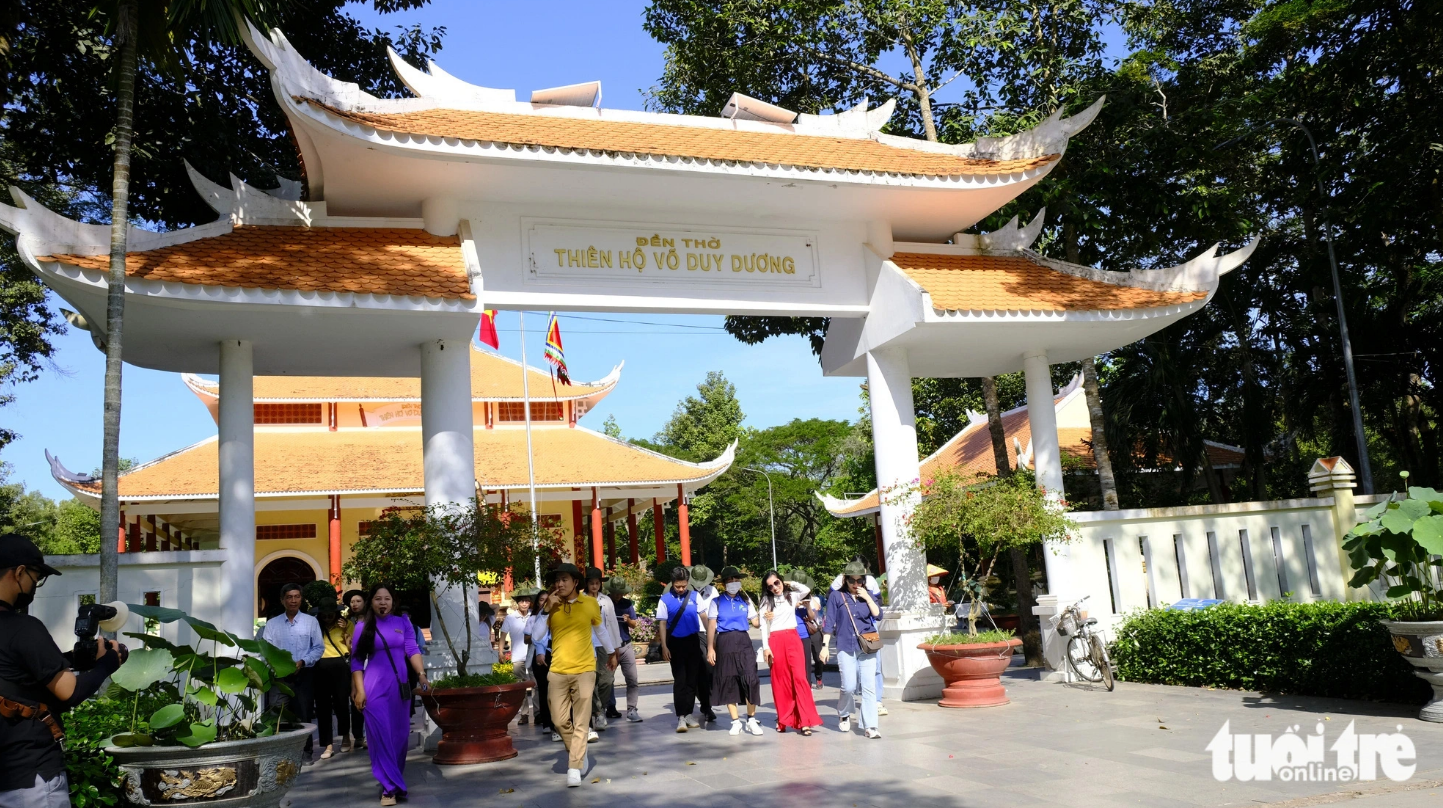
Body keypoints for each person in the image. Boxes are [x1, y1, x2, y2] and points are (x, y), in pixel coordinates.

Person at [0, 534, 122, 808]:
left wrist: (78, 660)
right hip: (30, 779)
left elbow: (17, 673)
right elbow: (71, 692)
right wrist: (109, 662)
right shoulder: (23, 628)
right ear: (19, 573)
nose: (36, 586)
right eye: (35, 577)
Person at [351, 584, 430, 806]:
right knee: (380, 735)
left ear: (393, 602)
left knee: (400, 736)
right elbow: (356, 662)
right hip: (374, 687)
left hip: (400, 686)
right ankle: (389, 788)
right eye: (378, 599)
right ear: (371, 602)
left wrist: (422, 675)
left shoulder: (402, 622)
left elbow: (412, 650)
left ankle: (394, 780)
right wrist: (360, 690)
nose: (383, 603)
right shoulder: (363, 626)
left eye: (387, 599)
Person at [538, 563, 616, 788]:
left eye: (564, 579)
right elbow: (536, 635)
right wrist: (546, 610)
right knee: (559, 720)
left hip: (584, 669)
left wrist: (612, 652)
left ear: (575, 582)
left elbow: (600, 630)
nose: (559, 584)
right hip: (558, 671)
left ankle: (574, 766)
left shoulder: (590, 604)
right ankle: (579, 752)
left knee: (581, 720)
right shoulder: (550, 606)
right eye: (557, 580)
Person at [262, 582, 323, 759]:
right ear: (282, 600)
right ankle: (279, 753)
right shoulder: (272, 624)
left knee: (303, 714)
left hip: (303, 674)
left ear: (301, 599)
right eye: (289, 597)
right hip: (279, 676)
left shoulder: (311, 622)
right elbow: (267, 650)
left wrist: (303, 662)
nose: (293, 600)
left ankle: (306, 751)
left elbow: (318, 647)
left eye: (296, 597)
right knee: (277, 713)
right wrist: (281, 666)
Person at [824, 561, 882, 739]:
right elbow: (829, 622)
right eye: (852, 581)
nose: (856, 585)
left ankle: (870, 725)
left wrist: (868, 597)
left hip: (867, 644)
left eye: (860, 580)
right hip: (845, 644)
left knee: (868, 686)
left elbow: (878, 615)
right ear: (845, 579)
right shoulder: (836, 597)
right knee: (848, 686)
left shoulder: (868, 594)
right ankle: (844, 712)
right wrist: (825, 646)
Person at [760, 570, 821, 735]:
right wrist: (766, 647)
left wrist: (789, 583)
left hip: (793, 638)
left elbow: (805, 590)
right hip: (776, 639)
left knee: (800, 679)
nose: (774, 587)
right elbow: (763, 625)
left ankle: (805, 721)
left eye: (777, 583)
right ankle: (783, 719)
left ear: (781, 581)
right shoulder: (766, 601)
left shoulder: (791, 596)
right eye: (770, 586)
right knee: (781, 681)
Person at [705, 566, 763, 736]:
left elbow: (756, 622)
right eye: (729, 580)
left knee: (750, 679)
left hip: (743, 641)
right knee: (729, 680)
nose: (733, 583)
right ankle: (735, 721)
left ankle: (751, 719)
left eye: (735, 580)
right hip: (725, 641)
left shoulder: (745, 600)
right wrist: (710, 648)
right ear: (723, 584)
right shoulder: (716, 602)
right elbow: (712, 625)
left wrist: (766, 615)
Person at [654, 565, 703, 732]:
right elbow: (662, 623)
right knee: (680, 680)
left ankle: (689, 713)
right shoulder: (665, 599)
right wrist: (664, 646)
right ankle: (681, 716)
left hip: (693, 641)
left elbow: (705, 616)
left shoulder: (695, 596)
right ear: (672, 583)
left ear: (688, 583)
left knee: (692, 679)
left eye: (684, 586)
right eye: (677, 586)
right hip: (675, 642)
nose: (681, 589)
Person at [313, 603, 353, 759]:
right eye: (324, 615)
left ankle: (345, 737)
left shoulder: (347, 624)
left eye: (331, 614)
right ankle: (328, 744)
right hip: (320, 665)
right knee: (322, 706)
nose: (328, 618)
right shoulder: (315, 626)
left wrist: (344, 630)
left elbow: (352, 646)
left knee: (341, 703)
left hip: (340, 665)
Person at [582, 567, 617, 733]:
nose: (594, 586)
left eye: (597, 583)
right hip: (586, 644)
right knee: (591, 681)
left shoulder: (606, 600)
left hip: (604, 644)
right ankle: (596, 712)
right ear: (586, 584)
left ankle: (601, 708)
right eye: (591, 583)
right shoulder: (580, 599)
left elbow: (613, 626)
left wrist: (615, 649)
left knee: (607, 679)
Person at [603, 577, 642, 722]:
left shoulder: (627, 603)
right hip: (610, 647)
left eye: (620, 593)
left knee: (632, 679)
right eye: (615, 593)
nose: (618, 595)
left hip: (625, 645)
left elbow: (635, 624)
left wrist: (628, 620)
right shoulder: (605, 602)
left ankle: (632, 709)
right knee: (608, 680)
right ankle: (610, 707)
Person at [499, 586, 538, 725]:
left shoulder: (534, 616)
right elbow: (503, 635)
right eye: (522, 601)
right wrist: (500, 651)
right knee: (520, 687)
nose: (524, 604)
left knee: (536, 685)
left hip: (533, 655)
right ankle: (524, 714)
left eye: (527, 601)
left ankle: (538, 713)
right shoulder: (510, 618)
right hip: (517, 657)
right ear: (517, 603)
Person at [785, 570, 826, 690]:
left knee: (817, 656)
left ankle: (819, 677)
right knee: (802, 659)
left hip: (812, 629)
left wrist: (808, 601)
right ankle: (804, 682)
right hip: (797, 631)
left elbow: (815, 610)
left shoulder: (812, 597)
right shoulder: (789, 597)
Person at [689, 564, 719, 723]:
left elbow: (715, 613)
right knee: (692, 673)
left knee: (709, 669)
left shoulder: (712, 591)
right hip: (688, 633)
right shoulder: (684, 590)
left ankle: (707, 703)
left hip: (706, 632)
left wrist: (714, 636)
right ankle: (704, 706)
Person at [342, 589, 367, 750]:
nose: (355, 604)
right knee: (356, 698)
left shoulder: (371, 620)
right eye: (352, 601)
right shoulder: (347, 622)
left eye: (358, 601)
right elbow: (351, 649)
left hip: (371, 663)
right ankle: (358, 736)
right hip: (354, 663)